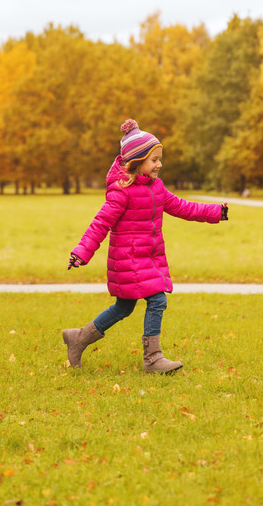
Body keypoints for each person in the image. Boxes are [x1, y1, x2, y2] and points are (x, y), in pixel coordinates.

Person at [64, 119, 228, 374]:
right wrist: (81, 252)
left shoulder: (157, 188)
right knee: (157, 300)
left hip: (148, 259)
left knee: (124, 307)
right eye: (154, 160)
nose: (159, 164)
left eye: (160, 158)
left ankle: (78, 339)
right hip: (128, 259)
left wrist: (215, 212)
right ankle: (152, 358)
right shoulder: (121, 192)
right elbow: (100, 224)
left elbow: (183, 207)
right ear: (136, 162)